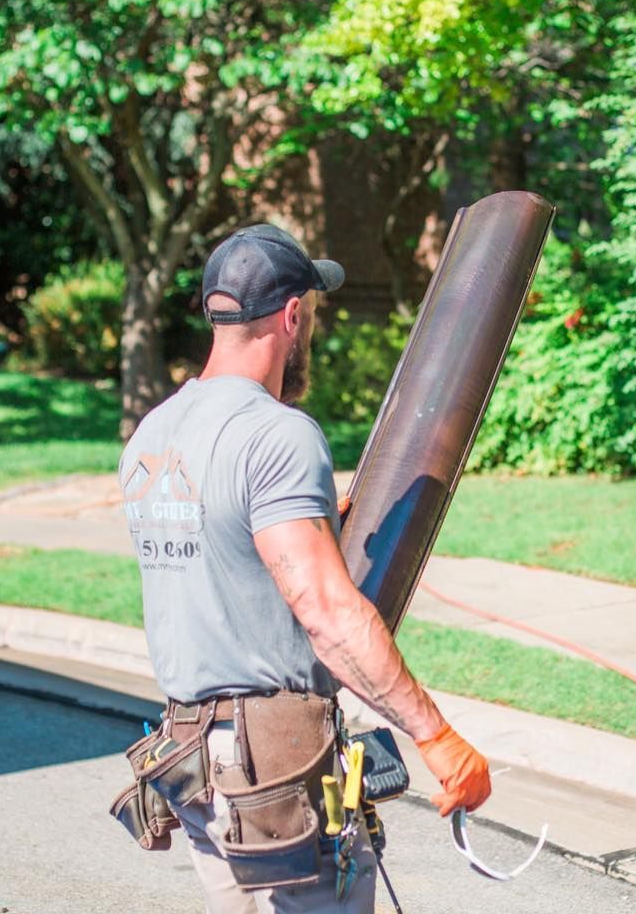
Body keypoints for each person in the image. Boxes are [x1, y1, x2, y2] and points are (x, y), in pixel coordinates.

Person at [118, 224, 492, 914]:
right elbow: (327, 612)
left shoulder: (154, 433)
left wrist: (309, 530)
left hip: (194, 759)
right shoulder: (276, 434)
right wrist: (436, 736)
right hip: (275, 768)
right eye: (311, 314)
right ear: (293, 315)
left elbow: (219, 565)